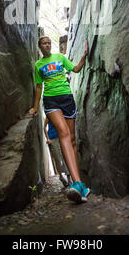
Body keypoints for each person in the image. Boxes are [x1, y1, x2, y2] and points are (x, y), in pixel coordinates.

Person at [29, 36, 90, 203]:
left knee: (71, 140)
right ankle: (77, 183)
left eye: (49, 42)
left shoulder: (60, 58)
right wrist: (35, 107)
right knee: (63, 133)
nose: (47, 45)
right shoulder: (38, 65)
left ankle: (78, 182)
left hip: (67, 98)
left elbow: (76, 69)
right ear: (39, 47)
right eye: (44, 43)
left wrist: (84, 56)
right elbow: (39, 87)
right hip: (51, 100)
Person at [44, 116, 71, 187]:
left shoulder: (60, 113)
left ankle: (69, 178)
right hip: (52, 139)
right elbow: (44, 127)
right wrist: (48, 138)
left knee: (65, 157)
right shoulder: (49, 116)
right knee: (57, 159)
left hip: (61, 137)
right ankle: (61, 176)